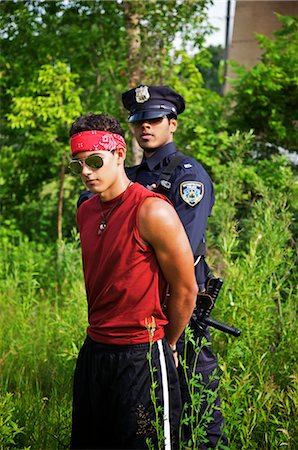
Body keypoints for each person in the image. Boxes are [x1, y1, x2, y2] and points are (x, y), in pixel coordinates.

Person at [68, 112, 198, 450]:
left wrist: (165, 344)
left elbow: (186, 290)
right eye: (77, 164)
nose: (85, 171)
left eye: (94, 161)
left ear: (120, 154)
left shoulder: (152, 211)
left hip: (141, 355)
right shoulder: (86, 211)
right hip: (95, 351)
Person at [122, 85, 228, 448]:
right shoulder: (128, 177)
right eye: (139, 121)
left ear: (173, 124)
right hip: (137, 309)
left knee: (197, 403)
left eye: (154, 119)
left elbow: (181, 249)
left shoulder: (188, 176)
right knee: (145, 405)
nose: (145, 127)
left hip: (179, 306)